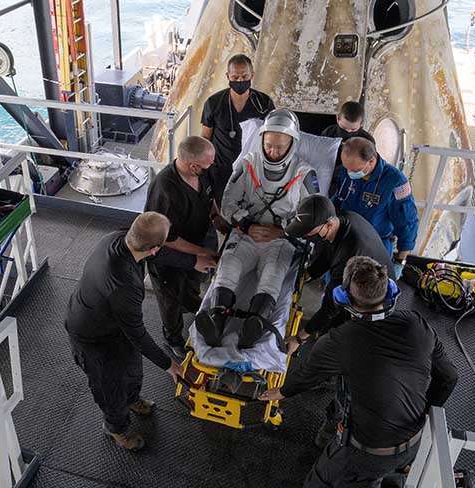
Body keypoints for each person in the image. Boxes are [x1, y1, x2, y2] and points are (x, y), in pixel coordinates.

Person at [260, 257, 458, 488]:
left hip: (366, 450)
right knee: (371, 477)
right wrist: (423, 413)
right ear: (388, 292)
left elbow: (307, 376)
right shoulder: (416, 323)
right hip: (413, 442)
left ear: (346, 299)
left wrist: (281, 392)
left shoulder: (339, 340)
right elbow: (450, 377)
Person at [195, 109, 318, 349]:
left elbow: (312, 216)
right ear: (262, 139)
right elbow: (228, 203)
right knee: (228, 269)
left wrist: (283, 231)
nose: (273, 152)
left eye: (280, 148)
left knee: (272, 275)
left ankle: (256, 323)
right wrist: (247, 225)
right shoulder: (247, 164)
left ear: (292, 144)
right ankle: (216, 318)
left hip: (281, 240)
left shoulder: (304, 174)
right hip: (245, 234)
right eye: (269, 145)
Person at [65, 212, 184, 452]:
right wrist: (169, 364)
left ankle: (132, 399)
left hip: (112, 322)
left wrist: (196, 260)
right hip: (92, 337)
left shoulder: (118, 237)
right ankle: (116, 429)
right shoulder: (124, 285)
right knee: (110, 387)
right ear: (152, 249)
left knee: (131, 366)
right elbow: (138, 334)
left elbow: (162, 252)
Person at [144, 136, 221, 357]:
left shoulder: (202, 174)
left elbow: (209, 199)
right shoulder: (165, 190)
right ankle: (173, 338)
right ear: (193, 165)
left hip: (196, 238)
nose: (210, 168)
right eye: (207, 165)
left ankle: (190, 303)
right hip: (167, 254)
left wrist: (217, 217)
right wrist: (203, 253)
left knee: (193, 281)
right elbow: (168, 239)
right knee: (170, 298)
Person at [285, 193, 394, 340]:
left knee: (338, 334)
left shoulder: (348, 256)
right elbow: (329, 251)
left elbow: (331, 305)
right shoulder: (342, 219)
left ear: (328, 225)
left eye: (310, 233)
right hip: (364, 274)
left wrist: (299, 338)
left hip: (373, 296)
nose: (307, 237)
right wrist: (309, 273)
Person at [333, 137, 418, 279]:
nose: (349, 173)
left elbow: (407, 222)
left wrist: (400, 261)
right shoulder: (347, 171)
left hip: (376, 243)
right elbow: (338, 199)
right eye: (346, 168)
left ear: (371, 161)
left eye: (354, 170)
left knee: (368, 288)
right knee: (337, 283)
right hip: (346, 237)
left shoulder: (395, 182)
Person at [201, 53, 275, 206]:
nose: (240, 80)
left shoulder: (263, 102)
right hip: (222, 169)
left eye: (244, 76)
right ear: (228, 76)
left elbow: (272, 135)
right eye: (235, 77)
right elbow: (205, 138)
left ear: (252, 75)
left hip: (252, 169)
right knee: (224, 209)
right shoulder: (214, 103)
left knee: (250, 208)